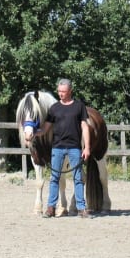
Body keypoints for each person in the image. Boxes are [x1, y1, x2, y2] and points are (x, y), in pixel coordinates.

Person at [44, 78, 93, 219]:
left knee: (78, 178)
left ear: (70, 91)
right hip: (57, 148)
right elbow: (46, 128)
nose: (61, 94)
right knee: (54, 178)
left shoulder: (79, 107)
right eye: (59, 91)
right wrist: (35, 133)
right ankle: (51, 208)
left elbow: (85, 127)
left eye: (63, 91)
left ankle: (81, 209)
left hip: (74, 148)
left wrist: (87, 147)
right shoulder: (54, 108)